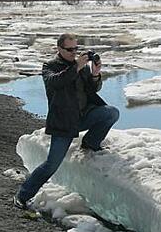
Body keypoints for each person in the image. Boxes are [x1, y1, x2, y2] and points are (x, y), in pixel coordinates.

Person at [14, 33, 119, 209]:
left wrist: (95, 74)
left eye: (75, 49)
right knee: (51, 164)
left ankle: (90, 144)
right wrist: (76, 67)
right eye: (69, 49)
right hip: (63, 123)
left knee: (111, 113)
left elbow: (93, 90)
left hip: (84, 116)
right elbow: (56, 82)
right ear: (59, 49)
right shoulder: (50, 66)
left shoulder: (81, 67)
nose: (73, 52)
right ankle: (23, 195)